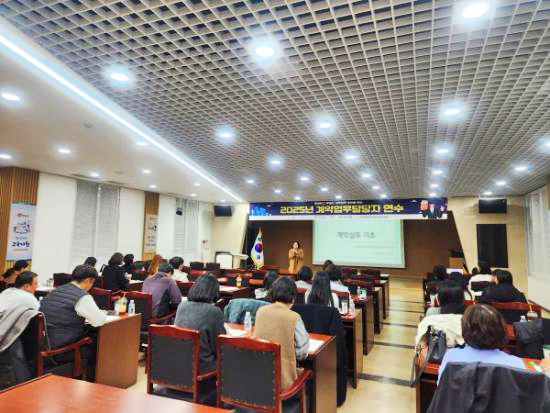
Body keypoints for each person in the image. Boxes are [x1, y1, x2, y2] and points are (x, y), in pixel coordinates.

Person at [438, 304, 524, 382]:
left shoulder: (451, 357)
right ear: (502, 330)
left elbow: (442, 389)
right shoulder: (516, 364)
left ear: (465, 330)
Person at [254, 277, 310, 391]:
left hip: (261, 377)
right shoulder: (294, 317)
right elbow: (302, 354)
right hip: (284, 383)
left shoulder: (260, 311)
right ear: (293, 298)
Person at [175, 274, 225, 373]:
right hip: (202, 365)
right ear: (214, 292)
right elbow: (219, 347)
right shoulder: (214, 311)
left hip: (179, 361)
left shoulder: (182, 306)